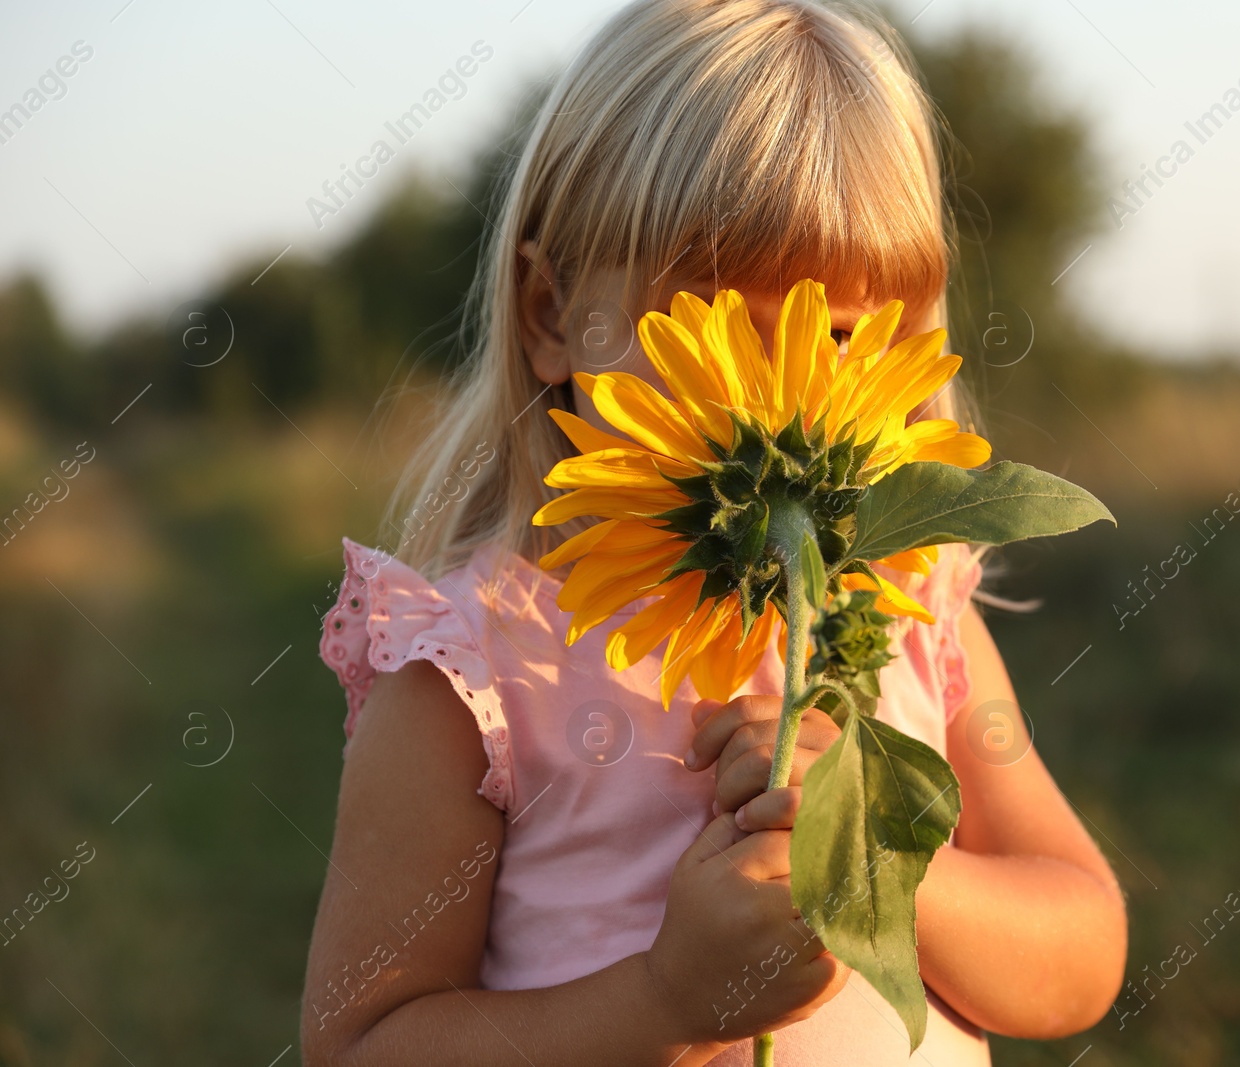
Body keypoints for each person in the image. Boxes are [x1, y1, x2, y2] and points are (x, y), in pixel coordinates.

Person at [300, 1, 1126, 1063]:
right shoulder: (476, 673)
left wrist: (883, 863)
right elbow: (364, 1043)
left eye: (836, 332)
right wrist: (663, 1000)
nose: (777, 392)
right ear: (554, 314)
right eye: (717, 325)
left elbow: (1080, 949)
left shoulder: (910, 607)